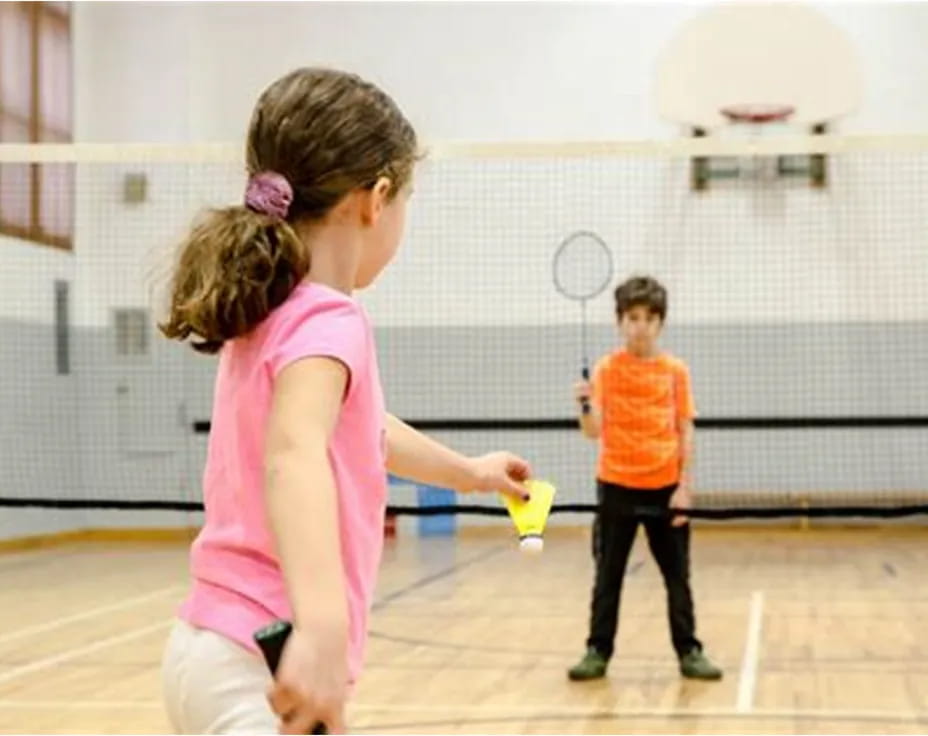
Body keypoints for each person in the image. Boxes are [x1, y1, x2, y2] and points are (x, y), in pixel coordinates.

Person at [158, 67, 533, 734]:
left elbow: (362, 435)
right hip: (267, 661)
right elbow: (295, 454)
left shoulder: (270, 312)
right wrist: (323, 625)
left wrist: (470, 472)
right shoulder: (331, 321)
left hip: (204, 649)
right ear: (375, 199)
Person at [567, 276, 721, 682]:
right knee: (607, 576)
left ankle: (689, 651)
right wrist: (584, 404)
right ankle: (597, 651)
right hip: (615, 485)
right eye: (632, 317)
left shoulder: (675, 371)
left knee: (677, 578)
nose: (641, 325)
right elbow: (593, 430)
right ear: (620, 321)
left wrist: (685, 487)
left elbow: (686, 428)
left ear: (660, 324)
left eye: (649, 318)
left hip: (666, 488)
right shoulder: (606, 369)